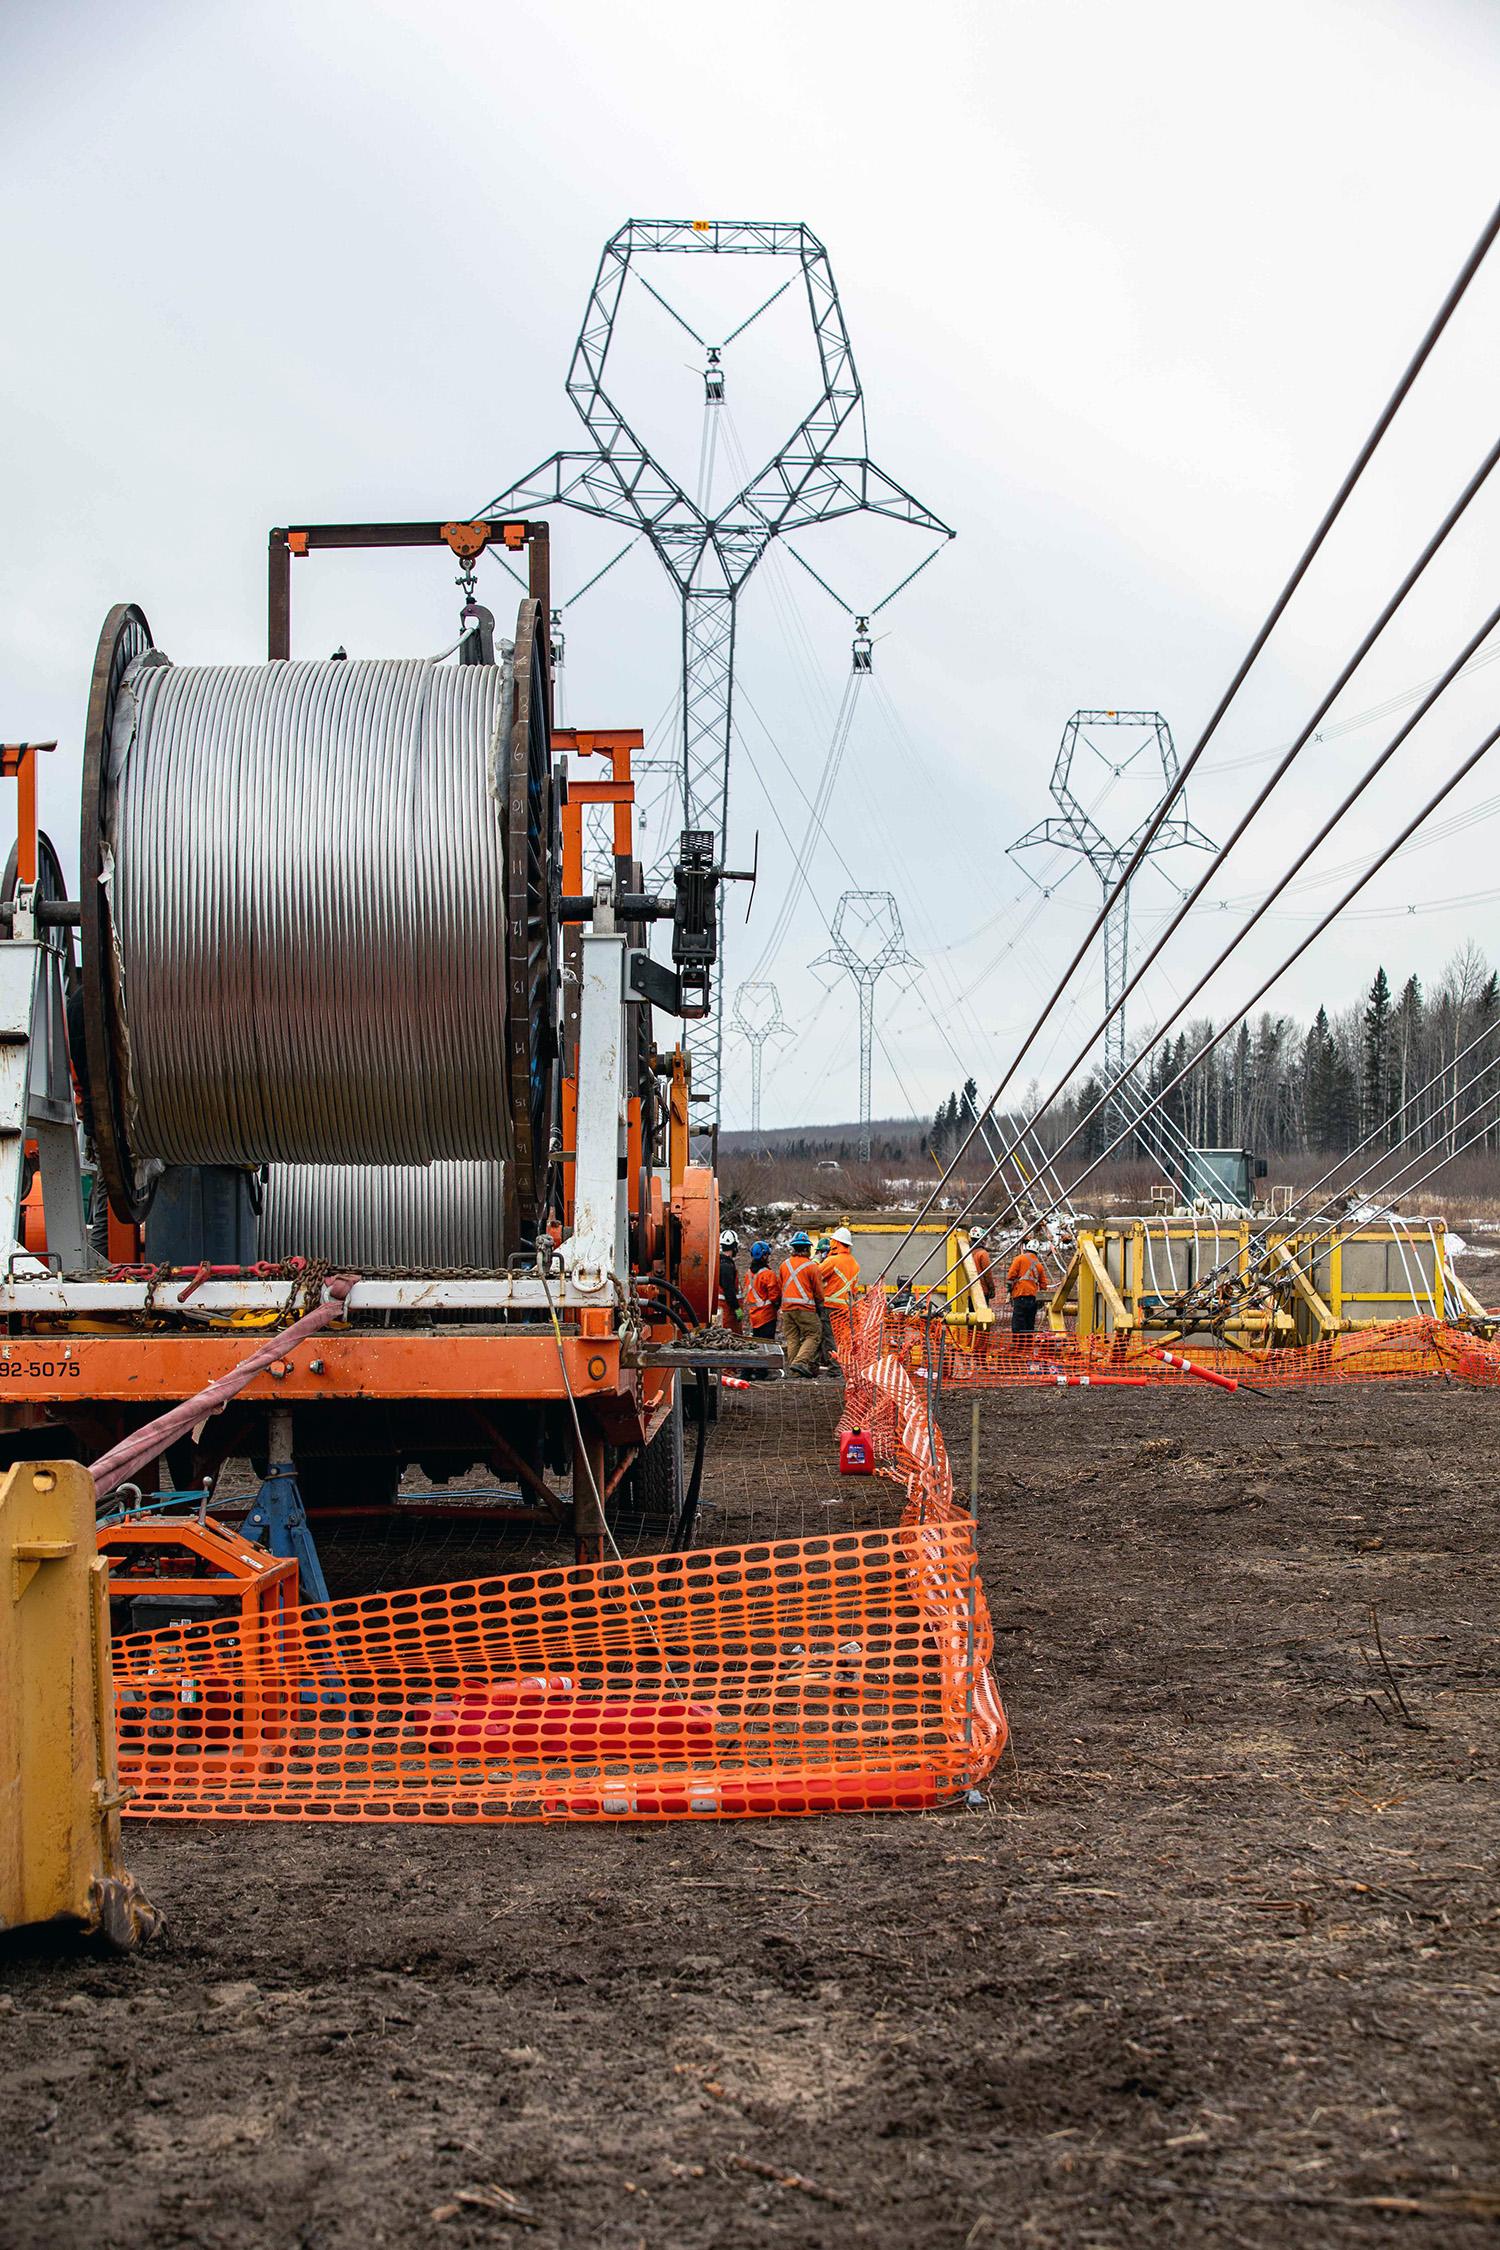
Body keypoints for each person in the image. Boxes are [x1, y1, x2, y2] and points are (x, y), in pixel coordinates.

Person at [777, 1230, 824, 1377]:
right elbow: (819, 1292)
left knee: (792, 1339)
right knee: (814, 1334)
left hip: (787, 1309)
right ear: (807, 1249)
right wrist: (820, 1306)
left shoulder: (784, 1265)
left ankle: (794, 1373)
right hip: (805, 1309)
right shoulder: (812, 1267)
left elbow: (781, 1286)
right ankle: (800, 1362)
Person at [1006, 1238, 1050, 1337]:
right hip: (1033, 1298)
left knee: (1018, 1324)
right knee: (1029, 1324)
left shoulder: (1019, 1259)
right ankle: (1028, 1346)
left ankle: (1019, 1346)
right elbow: (1043, 1285)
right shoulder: (1039, 1265)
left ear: (1027, 1248)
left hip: (1020, 1295)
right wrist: (1041, 1300)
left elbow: (1010, 1276)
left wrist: (1009, 1291)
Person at [743, 1239, 781, 1350]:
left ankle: (754, 1367)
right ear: (764, 1256)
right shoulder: (768, 1274)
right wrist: (777, 1305)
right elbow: (774, 1296)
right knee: (768, 1347)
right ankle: (762, 1368)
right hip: (767, 1316)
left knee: (757, 1346)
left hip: (754, 1317)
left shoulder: (748, 1274)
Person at [718, 1229, 741, 1334]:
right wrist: (736, 1308)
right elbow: (729, 1289)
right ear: (734, 1246)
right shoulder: (726, 1266)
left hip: (721, 1309)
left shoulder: (719, 1262)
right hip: (727, 1311)